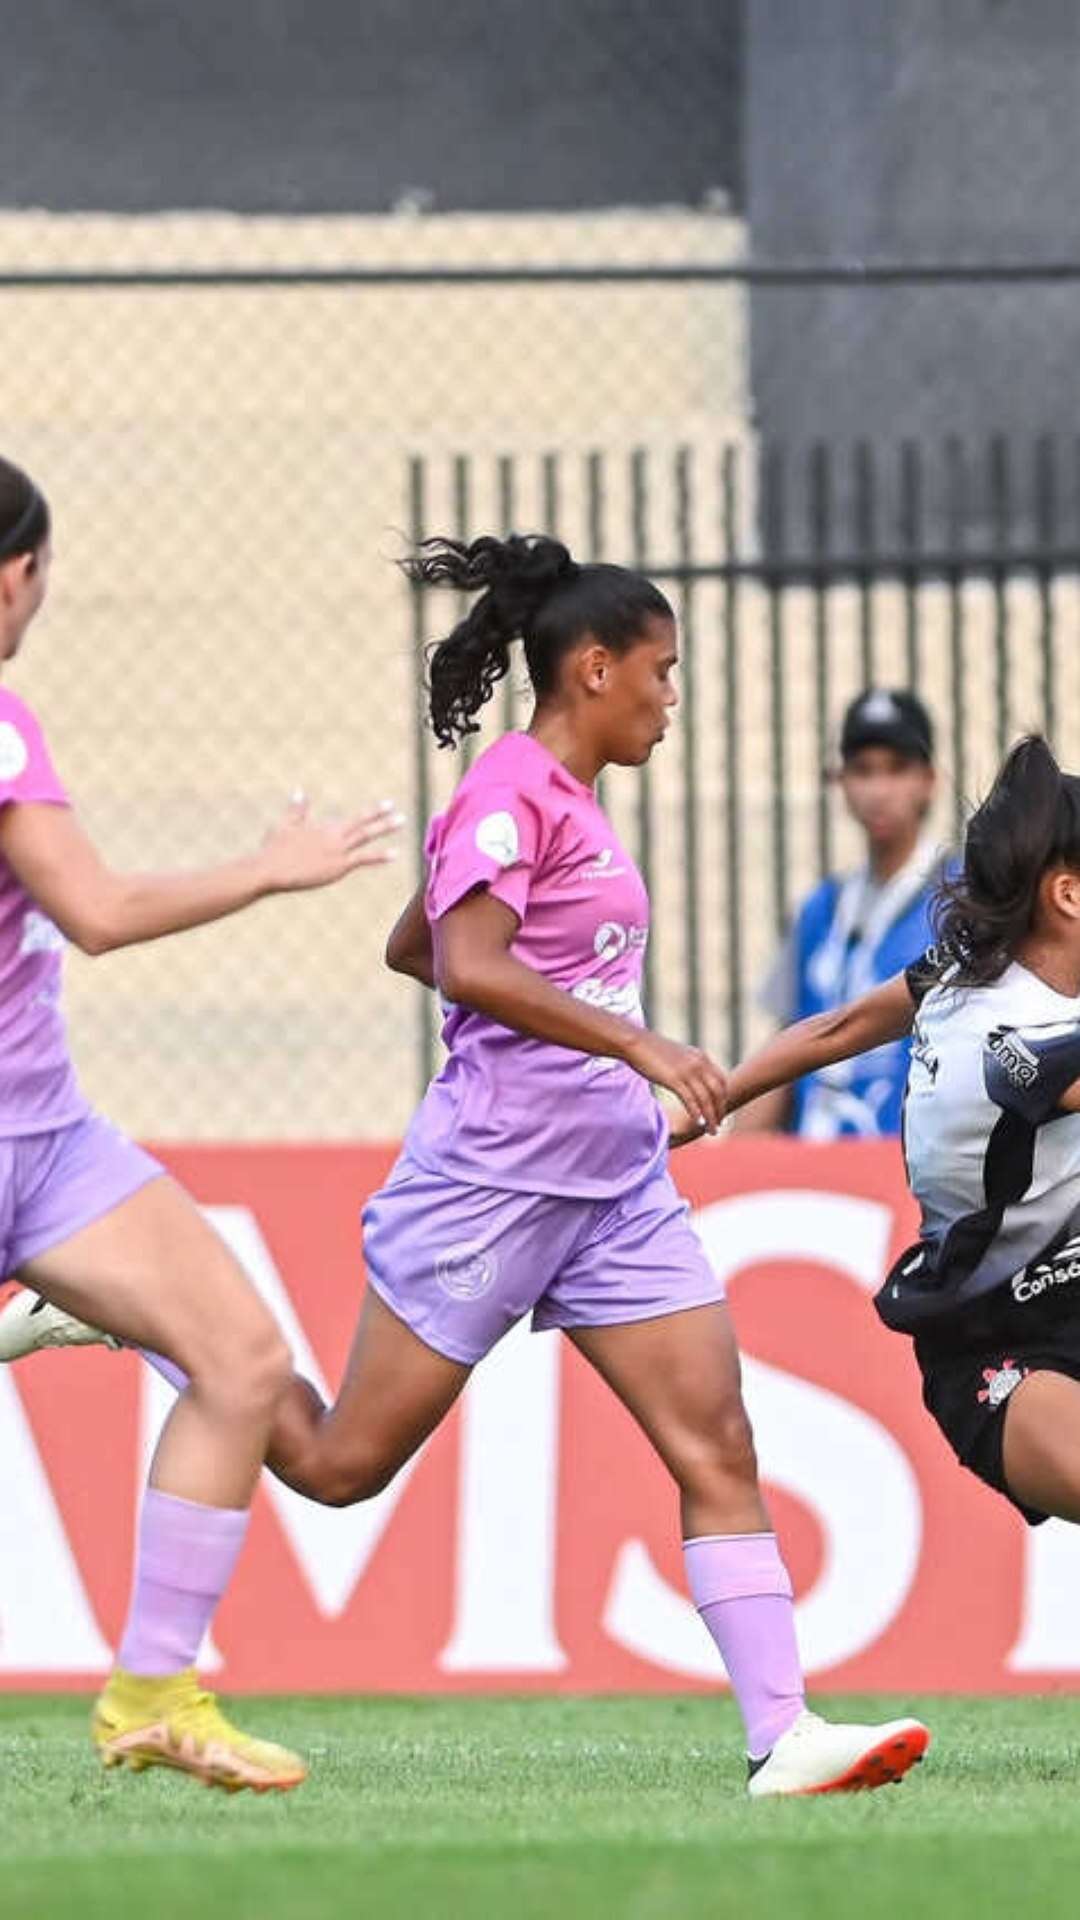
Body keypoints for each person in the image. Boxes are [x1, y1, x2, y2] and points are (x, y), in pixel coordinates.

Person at [5, 532, 929, 1795]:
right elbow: (468, 959)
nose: (672, 696)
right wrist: (638, 1041)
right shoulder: (509, 787)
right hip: (489, 1184)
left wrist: (570, 1027)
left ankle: (785, 1734)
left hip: (609, 1190)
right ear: (592, 668)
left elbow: (423, 942)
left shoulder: (561, 806)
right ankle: (135, 1322)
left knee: (716, 1435)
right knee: (338, 1467)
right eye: (660, 671)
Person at [0, 456, 401, 1792]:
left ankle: (152, 1693)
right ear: (19, 575)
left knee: (237, 1358)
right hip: (37, 1144)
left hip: (46, 1142)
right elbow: (97, 915)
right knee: (239, 1366)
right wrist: (269, 870)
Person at [722, 735, 1080, 1536]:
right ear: (1068, 895)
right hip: (1002, 1351)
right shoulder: (1018, 1035)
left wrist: (711, 1097)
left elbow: (838, 1025)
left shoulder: (960, 969)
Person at [736, 688, 942, 1138]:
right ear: (841, 781)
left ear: (928, 780)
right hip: (820, 1169)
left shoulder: (959, 898)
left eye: (897, 770)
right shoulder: (822, 908)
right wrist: (736, 1157)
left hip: (913, 1167)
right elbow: (786, 1045)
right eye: (863, 771)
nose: (879, 790)